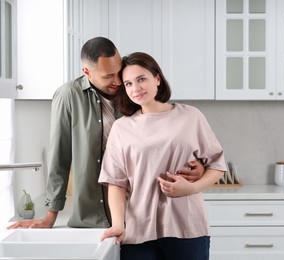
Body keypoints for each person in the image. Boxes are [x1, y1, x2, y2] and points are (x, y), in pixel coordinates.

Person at [7, 37, 204, 229]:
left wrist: (199, 168)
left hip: (142, 214)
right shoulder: (68, 96)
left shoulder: (133, 90)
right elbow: (60, 157)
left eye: (119, 72)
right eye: (108, 76)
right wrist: (49, 217)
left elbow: (166, 140)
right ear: (87, 71)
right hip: (92, 216)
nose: (118, 81)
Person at [98, 52, 226, 260]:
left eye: (141, 79)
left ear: (157, 78)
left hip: (187, 228)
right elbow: (116, 182)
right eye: (128, 84)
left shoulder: (191, 116)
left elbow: (217, 166)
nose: (136, 88)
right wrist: (118, 224)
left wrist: (191, 187)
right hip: (138, 232)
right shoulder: (121, 128)